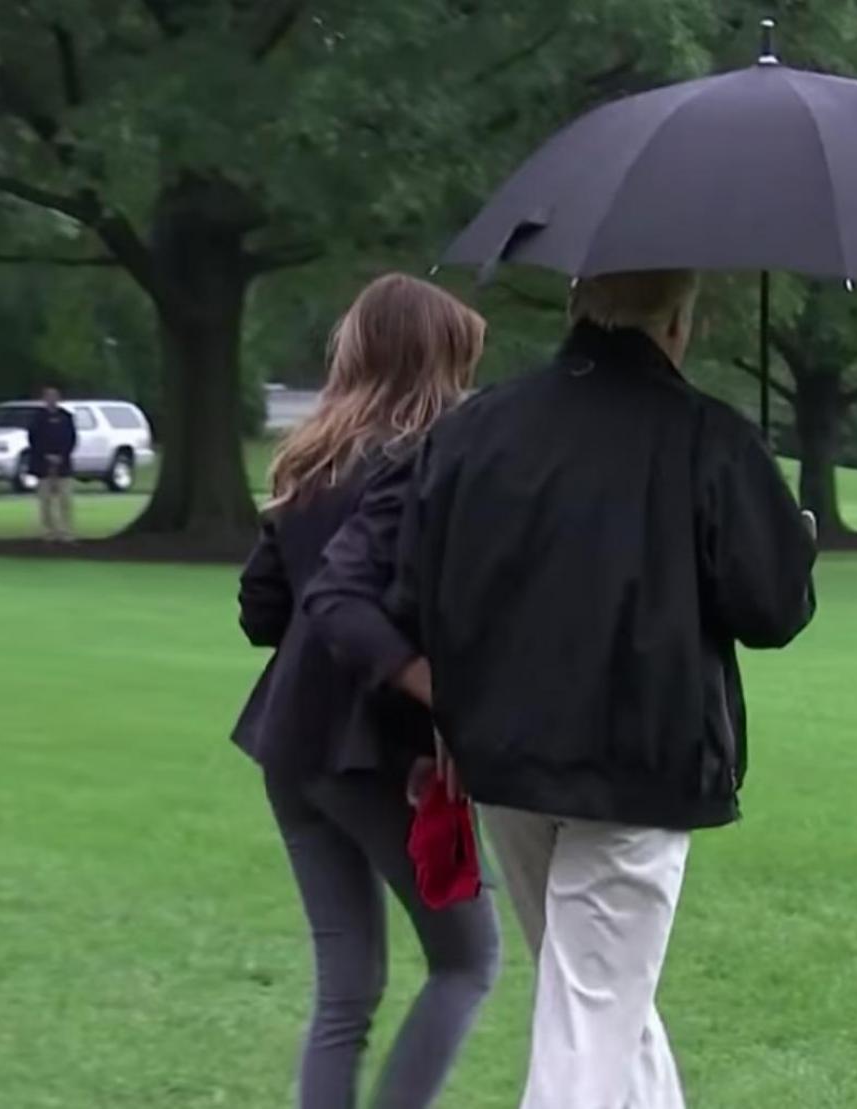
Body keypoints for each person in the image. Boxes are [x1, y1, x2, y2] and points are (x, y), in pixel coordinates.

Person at [304, 269, 817, 1109]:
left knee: (604, 997)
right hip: (638, 762)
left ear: (580, 307)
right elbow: (771, 609)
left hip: (502, 763)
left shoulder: (473, 430)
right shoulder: (703, 434)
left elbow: (410, 593)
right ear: (676, 324)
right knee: (592, 1012)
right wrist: (792, 543)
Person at [233, 273, 499, 1109]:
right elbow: (330, 602)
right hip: (370, 750)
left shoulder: (311, 458)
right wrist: (435, 689)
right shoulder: (417, 463)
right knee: (466, 962)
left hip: (289, 742)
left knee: (346, 990)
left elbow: (261, 607)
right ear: (434, 361)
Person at [28, 387, 77, 543]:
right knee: (45, 500)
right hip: (43, 466)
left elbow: (71, 438)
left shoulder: (66, 417)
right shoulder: (37, 418)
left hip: (63, 465)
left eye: (54, 396)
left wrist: (61, 455)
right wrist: (46, 455)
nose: (51, 399)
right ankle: (49, 531)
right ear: (44, 399)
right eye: (48, 396)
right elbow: (34, 439)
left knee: (65, 499)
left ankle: (65, 531)